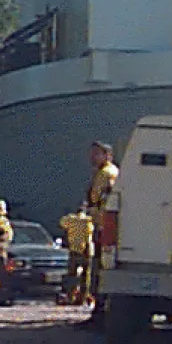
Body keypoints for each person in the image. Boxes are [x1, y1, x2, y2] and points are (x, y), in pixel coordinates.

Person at [78, 140, 119, 329]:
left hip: (105, 228)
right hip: (98, 225)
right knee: (94, 269)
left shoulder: (108, 174)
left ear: (107, 155)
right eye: (92, 153)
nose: (92, 157)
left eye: (97, 153)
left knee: (100, 270)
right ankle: (98, 312)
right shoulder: (100, 173)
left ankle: (101, 314)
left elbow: (106, 200)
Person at [58, 202, 95, 305]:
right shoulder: (89, 221)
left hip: (74, 250)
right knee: (86, 276)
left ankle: (71, 295)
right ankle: (83, 296)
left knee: (72, 274)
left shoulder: (71, 220)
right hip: (87, 251)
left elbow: (62, 223)